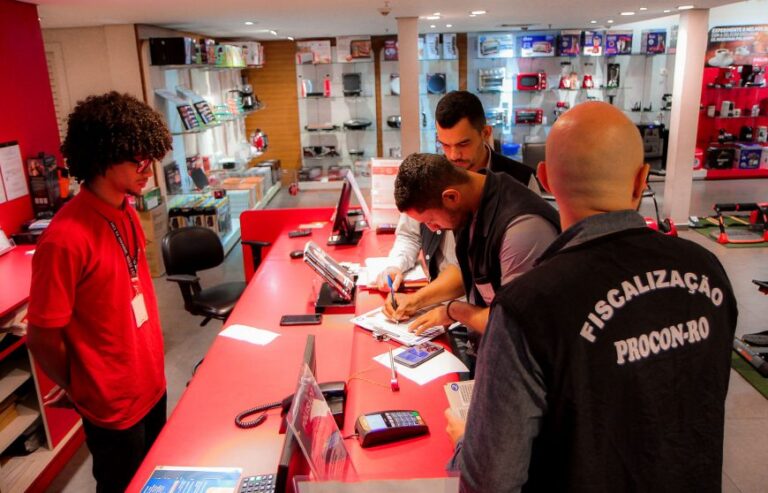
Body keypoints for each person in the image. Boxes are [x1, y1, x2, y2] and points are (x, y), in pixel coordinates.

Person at [446, 101, 738, 492]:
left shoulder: (527, 305)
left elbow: (490, 481)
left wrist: (468, 440)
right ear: (641, 180)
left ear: (546, 180)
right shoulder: (708, 271)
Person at [26, 92, 172, 493]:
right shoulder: (65, 238)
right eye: (138, 161)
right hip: (113, 406)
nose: (148, 170)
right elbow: (41, 335)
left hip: (151, 384)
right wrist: (80, 384)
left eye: (151, 159)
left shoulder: (125, 209)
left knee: (153, 483)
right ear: (104, 156)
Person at [375, 90, 538, 294]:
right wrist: (395, 266)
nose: (453, 155)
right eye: (445, 145)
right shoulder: (432, 173)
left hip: (491, 307)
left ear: (485, 133)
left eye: (463, 144)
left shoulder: (521, 180)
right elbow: (409, 235)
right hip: (435, 297)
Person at [388, 153, 559, 335]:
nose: (432, 229)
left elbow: (513, 323)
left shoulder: (522, 229)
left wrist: (454, 311)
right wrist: (415, 300)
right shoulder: (472, 203)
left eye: (431, 220)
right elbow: (465, 269)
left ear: (451, 197)